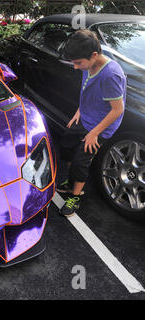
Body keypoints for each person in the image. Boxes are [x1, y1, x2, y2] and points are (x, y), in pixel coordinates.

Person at [57, 29, 126, 216]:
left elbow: (118, 110)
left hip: (101, 127)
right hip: (85, 116)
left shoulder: (111, 75)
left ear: (94, 55)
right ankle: (71, 182)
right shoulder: (87, 63)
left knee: (81, 161)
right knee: (66, 146)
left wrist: (94, 133)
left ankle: (76, 196)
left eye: (78, 63)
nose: (75, 67)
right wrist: (79, 110)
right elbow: (86, 90)